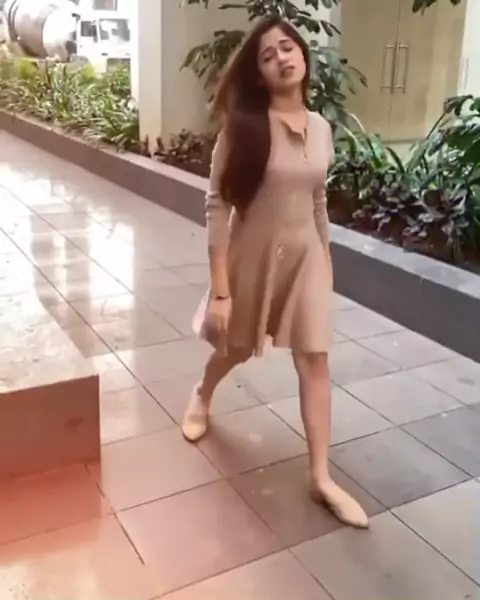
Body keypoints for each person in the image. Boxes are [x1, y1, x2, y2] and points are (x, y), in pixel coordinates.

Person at [183, 15, 368, 529]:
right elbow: (217, 206)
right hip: (253, 254)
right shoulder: (243, 128)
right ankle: (203, 392)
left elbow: (318, 200)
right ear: (259, 74)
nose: (282, 58)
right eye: (268, 55)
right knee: (236, 347)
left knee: (315, 360)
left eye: (288, 47)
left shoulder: (322, 128)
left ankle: (320, 477)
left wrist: (326, 262)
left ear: (303, 55)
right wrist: (221, 292)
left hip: (306, 258)